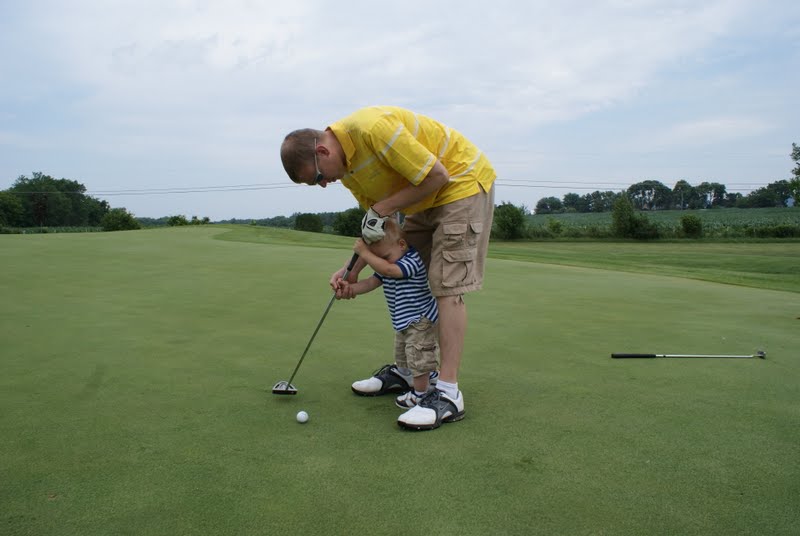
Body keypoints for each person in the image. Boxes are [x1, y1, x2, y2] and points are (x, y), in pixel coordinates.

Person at [280, 105, 496, 431]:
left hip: (460, 182)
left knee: (446, 285)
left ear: (323, 151)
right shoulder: (349, 171)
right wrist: (352, 270)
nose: (325, 185)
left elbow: (438, 176)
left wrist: (382, 207)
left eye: (319, 178)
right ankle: (409, 373)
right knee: (410, 267)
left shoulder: (373, 129)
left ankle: (449, 394)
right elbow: (379, 229)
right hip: (425, 197)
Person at [336, 218, 440, 410]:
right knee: (403, 355)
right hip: (403, 321)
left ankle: (420, 394)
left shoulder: (411, 260)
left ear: (401, 244)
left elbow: (389, 270)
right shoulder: (388, 262)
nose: (380, 261)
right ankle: (427, 377)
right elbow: (370, 283)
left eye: (383, 255)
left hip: (420, 319)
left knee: (418, 357)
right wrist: (350, 289)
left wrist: (365, 254)